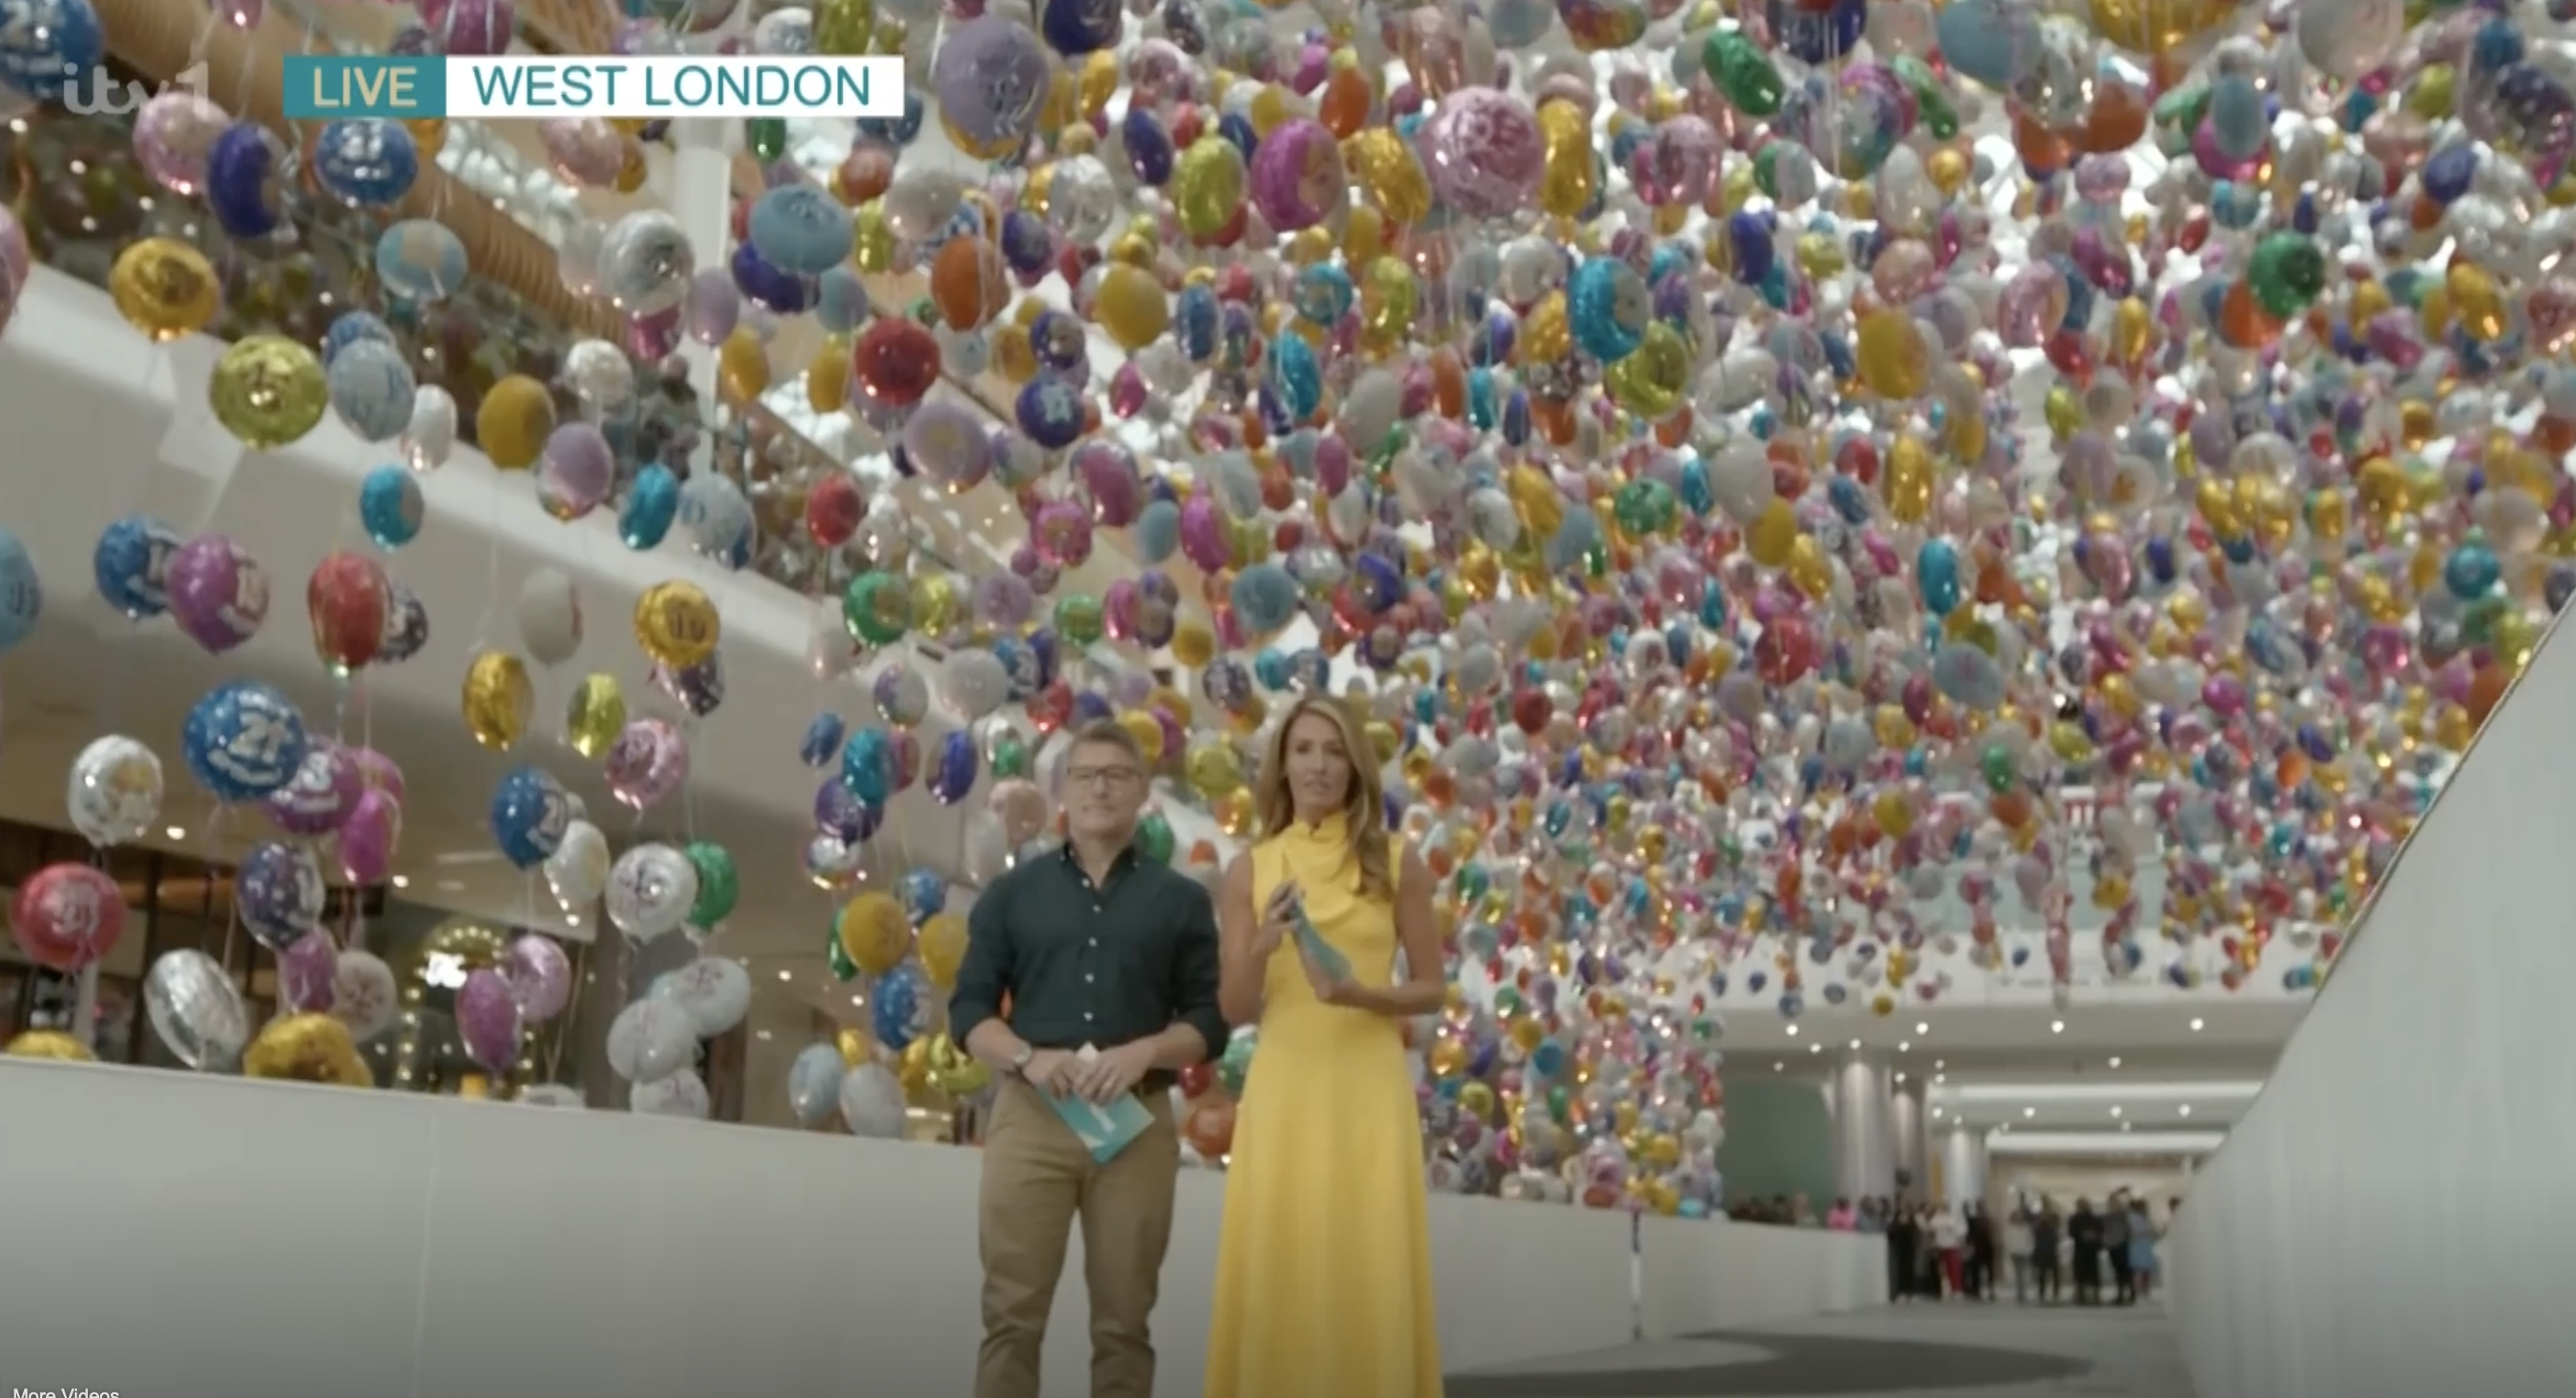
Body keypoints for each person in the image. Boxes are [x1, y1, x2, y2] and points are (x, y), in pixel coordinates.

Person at [950, 718, 1228, 1398]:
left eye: (1117, 775)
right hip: (1032, 1117)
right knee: (1011, 1317)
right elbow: (968, 1014)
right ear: (1063, 793)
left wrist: (1147, 1052)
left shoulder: (1182, 901)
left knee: (1124, 1325)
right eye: (1086, 775)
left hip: (1133, 1124)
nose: (1101, 787)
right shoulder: (1014, 895)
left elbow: (1208, 1023)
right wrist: (1027, 1058)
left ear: (1141, 794)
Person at [1206, 697, 1448, 1398]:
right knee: (1285, 1262)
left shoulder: (1398, 862)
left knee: (1366, 1264)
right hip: (1286, 1088)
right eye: (1304, 749)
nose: (1317, 765)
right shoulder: (1250, 870)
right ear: (1282, 764)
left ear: (1355, 766)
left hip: (1367, 1089)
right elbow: (1233, 1008)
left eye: (1334, 750)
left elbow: (1431, 989)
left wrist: (1362, 995)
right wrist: (1261, 943)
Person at [2068, 1198, 2104, 1305]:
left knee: (2090, 1273)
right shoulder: (2076, 1218)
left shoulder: (2092, 1218)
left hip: (2089, 1249)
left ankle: (2092, 1295)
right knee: (2082, 1273)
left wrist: (2092, 1236)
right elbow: (2072, 1232)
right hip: (2083, 1248)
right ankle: (2082, 1295)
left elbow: (2100, 1230)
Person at [1886, 1198, 1922, 1302]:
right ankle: (1901, 1292)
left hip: (1910, 1248)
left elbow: (1916, 1233)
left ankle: (1911, 1292)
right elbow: (1891, 1233)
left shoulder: (1913, 1220)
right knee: (1900, 1270)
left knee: (1911, 1270)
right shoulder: (1896, 1220)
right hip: (1900, 1248)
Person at [2103, 1189, 2135, 1305]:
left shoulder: (2122, 1214)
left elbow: (2127, 1229)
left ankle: (2130, 1293)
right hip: (2113, 1244)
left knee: (2124, 1270)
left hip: (2121, 1243)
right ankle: (2121, 1294)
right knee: (2118, 1271)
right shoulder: (2109, 1215)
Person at [1929, 1202, 1966, 1297]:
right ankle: (1946, 1289)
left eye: (1947, 1206)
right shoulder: (1938, 1217)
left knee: (1954, 1269)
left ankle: (1956, 1289)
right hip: (1941, 1247)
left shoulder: (1955, 1217)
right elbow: (1932, 1228)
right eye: (1944, 1206)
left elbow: (1961, 1231)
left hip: (1952, 1246)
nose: (1945, 1208)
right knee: (1943, 1270)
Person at [2127, 1197, 2159, 1301]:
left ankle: (2146, 1290)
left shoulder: (2145, 1218)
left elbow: (2152, 1231)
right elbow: (2135, 1231)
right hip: (2137, 1244)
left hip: (2145, 1244)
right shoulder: (2132, 1217)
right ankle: (2138, 1290)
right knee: (2139, 1270)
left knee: (2146, 1270)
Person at [2031, 1201, 2063, 1305]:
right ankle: (2042, 1293)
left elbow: (2057, 1234)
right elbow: (2035, 1235)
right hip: (2041, 1250)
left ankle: (2056, 1293)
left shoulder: (2054, 1221)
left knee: (2055, 1273)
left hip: (2052, 1250)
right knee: (2042, 1274)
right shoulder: (2038, 1223)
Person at [2004, 1206, 2036, 1303]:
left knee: (2023, 1274)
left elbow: (2030, 1240)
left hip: (2024, 1252)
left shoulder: (2026, 1228)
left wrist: (2030, 1250)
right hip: (2015, 1253)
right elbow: (2008, 1241)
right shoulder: (2010, 1228)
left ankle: (2022, 1293)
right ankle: (2020, 1294)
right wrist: (2010, 1250)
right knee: (2018, 1274)